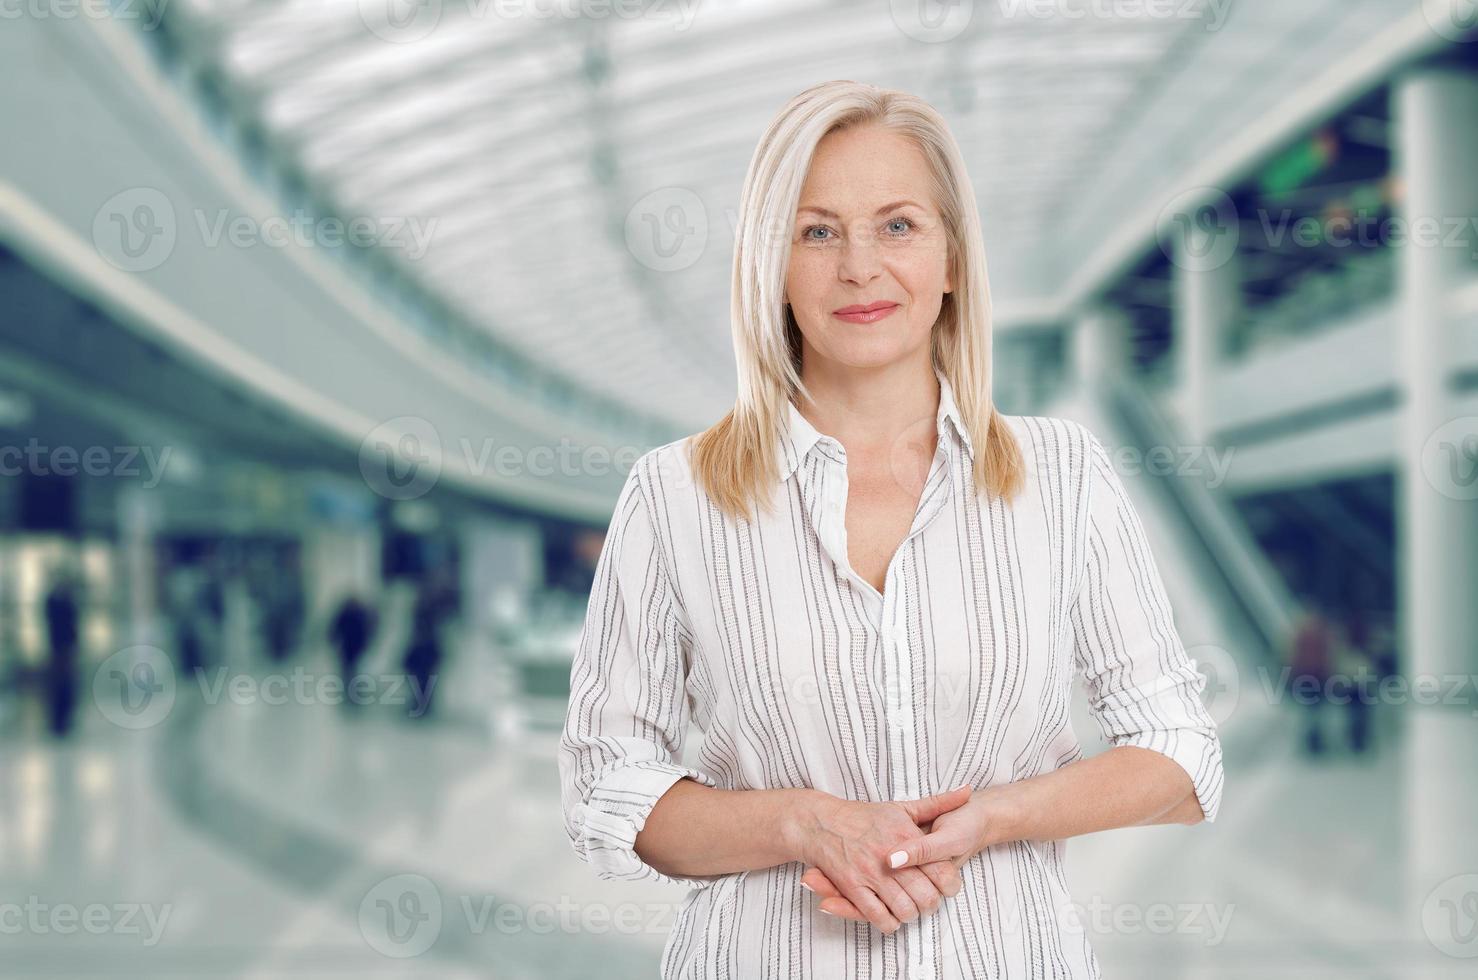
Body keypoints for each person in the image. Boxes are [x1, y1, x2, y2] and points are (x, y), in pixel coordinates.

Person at [558, 80, 1225, 980]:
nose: (860, 268)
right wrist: (802, 822)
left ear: (952, 260)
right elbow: (606, 783)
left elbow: (1182, 754)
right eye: (817, 231)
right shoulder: (674, 495)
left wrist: (997, 816)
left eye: (898, 226)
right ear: (771, 264)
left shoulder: (1064, 476)